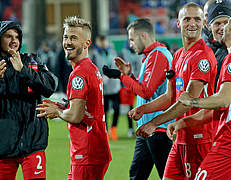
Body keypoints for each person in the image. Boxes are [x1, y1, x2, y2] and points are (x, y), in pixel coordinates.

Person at [168, 12, 231, 179]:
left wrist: (191, 100)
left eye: (227, 24)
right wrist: (183, 122)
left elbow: (222, 101)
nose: (222, 28)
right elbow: (224, 108)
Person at [129, 3, 217, 180]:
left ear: (204, 23)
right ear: (178, 23)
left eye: (197, 19)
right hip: (180, 137)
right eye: (187, 19)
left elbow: (188, 101)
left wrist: (154, 122)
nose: (192, 23)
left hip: (199, 137)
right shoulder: (177, 55)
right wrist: (143, 109)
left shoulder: (203, 56)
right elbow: (170, 97)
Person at [0, 21, 57, 180]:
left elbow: (50, 87)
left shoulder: (31, 61)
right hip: (2, 146)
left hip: (32, 142)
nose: (14, 40)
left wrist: (24, 71)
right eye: (8, 36)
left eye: (17, 36)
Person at [36, 16, 111, 180]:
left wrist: (58, 112)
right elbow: (85, 109)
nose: (67, 42)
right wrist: (64, 107)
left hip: (86, 152)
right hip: (91, 150)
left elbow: (76, 116)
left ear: (87, 43)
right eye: (66, 37)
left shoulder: (79, 73)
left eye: (74, 38)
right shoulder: (89, 68)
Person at [103, 18, 174, 179]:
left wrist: (122, 77)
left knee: (168, 176)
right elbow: (146, 90)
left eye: (132, 39)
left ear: (143, 36)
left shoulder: (157, 56)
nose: (130, 44)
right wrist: (129, 76)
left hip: (158, 129)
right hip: (147, 128)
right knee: (136, 175)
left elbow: (146, 91)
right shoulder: (152, 56)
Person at [91, 35, 121, 140]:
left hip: (114, 85)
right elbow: (92, 69)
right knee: (105, 111)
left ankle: (113, 129)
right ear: (97, 42)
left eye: (105, 41)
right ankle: (105, 130)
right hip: (103, 87)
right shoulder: (94, 55)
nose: (103, 43)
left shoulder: (113, 52)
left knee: (117, 109)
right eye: (101, 41)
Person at [204, 0, 231, 90]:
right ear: (209, 26)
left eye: (226, 22)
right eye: (217, 23)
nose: (222, 27)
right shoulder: (202, 51)